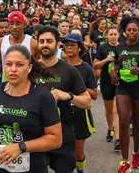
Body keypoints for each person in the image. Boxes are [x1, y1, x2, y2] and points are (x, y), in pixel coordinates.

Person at [0, 45, 62, 172]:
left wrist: (21, 147)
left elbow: (55, 139)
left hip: (32, 168)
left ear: (29, 67)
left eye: (19, 65)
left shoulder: (43, 96)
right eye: (8, 64)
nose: (13, 69)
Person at [35, 26, 92, 173]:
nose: (45, 44)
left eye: (49, 41)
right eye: (41, 41)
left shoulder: (69, 70)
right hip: (35, 133)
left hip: (63, 133)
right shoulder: (29, 69)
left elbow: (87, 102)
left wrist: (68, 96)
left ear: (57, 44)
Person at [110, 20, 139, 173]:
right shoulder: (119, 47)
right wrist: (113, 73)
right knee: (123, 121)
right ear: (125, 32)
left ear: (138, 32)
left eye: (134, 30)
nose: (131, 32)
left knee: (136, 124)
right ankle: (124, 161)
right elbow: (115, 64)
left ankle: (136, 153)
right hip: (123, 87)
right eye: (129, 30)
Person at [64, 33, 98, 173]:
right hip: (61, 113)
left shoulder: (87, 69)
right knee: (62, 151)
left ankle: (80, 170)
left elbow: (95, 94)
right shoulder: (60, 66)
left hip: (79, 113)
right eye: (67, 45)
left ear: (79, 48)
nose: (69, 48)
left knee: (78, 153)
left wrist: (78, 90)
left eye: (72, 45)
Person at [94, 26, 121, 151]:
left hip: (121, 82)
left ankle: (117, 138)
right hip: (106, 81)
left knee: (116, 110)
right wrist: (106, 60)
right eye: (111, 34)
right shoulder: (103, 48)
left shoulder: (123, 47)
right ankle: (110, 128)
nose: (113, 36)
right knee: (109, 109)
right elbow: (95, 64)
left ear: (118, 35)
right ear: (107, 36)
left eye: (115, 34)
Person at [0, 11, 37, 84]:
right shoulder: (1, 41)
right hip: (6, 82)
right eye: (11, 24)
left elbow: (39, 64)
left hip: (27, 84)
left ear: (24, 25)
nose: (14, 27)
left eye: (18, 23)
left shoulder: (33, 43)